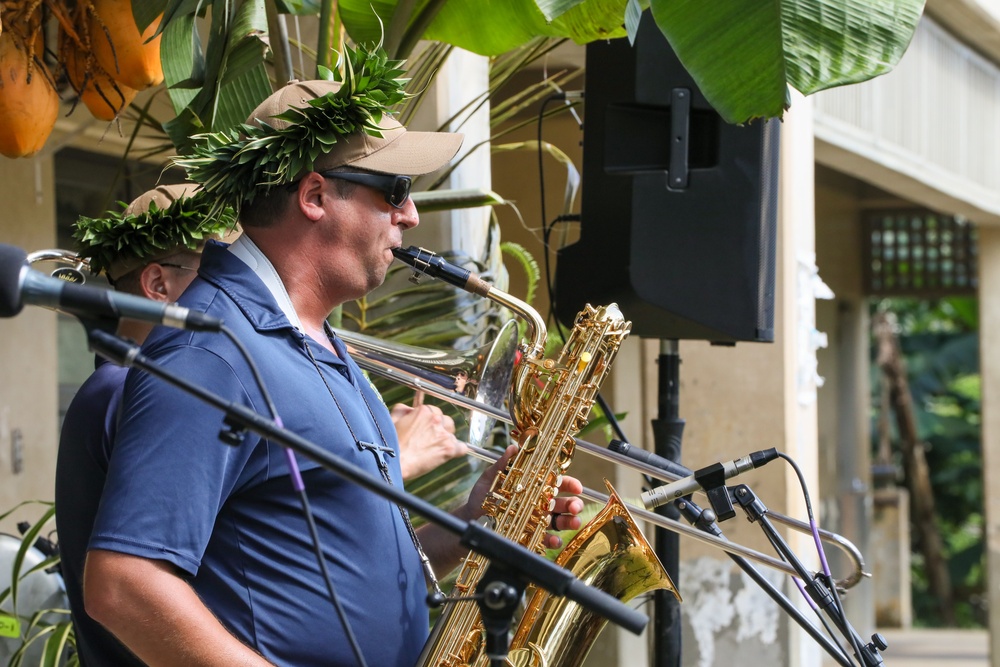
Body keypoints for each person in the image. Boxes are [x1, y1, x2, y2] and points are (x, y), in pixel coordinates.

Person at [83, 51, 582, 667]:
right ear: (315, 194)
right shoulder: (212, 352)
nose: (410, 214)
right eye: (394, 191)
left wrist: (470, 521)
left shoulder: (324, 347)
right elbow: (122, 584)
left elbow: (335, 565)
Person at [56, 183, 238, 666]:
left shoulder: (119, 386)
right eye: (219, 278)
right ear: (158, 285)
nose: (240, 299)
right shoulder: (127, 391)